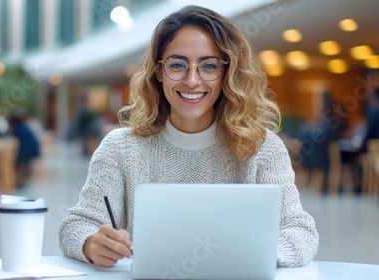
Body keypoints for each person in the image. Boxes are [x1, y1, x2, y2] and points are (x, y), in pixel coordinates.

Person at [58, 5, 318, 268]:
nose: (192, 81)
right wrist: (91, 243)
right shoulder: (120, 149)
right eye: (178, 65)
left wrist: (252, 255)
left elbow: (301, 232)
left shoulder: (262, 148)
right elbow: (76, 225)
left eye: (208, 66)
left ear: (226, 73)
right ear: (159, 72)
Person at [7, 111, 41, 188]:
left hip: (27, 152)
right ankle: (23, 180)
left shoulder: (19, 129)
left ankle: (20, 181)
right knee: (19, 161)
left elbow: (17, 142)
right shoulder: (23, 127)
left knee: (16, 161)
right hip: (32, 151)